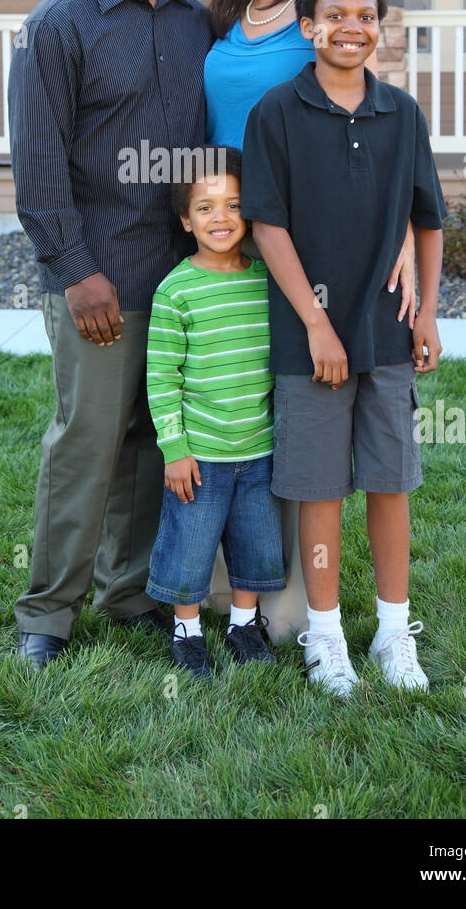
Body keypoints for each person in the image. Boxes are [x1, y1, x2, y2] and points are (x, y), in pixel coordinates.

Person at [7, 0, 214, 669]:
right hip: (98, 278)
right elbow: (38, 162)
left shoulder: (196, 22)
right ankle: (47, 615)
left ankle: (128, 593)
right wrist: (73, 268)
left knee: (149, 442)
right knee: (85, 444)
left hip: (176, 279)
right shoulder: (60, 22)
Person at [202, 0, 416, 640]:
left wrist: (407, 253)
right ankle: (228, 591)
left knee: (302, 424)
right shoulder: (220, 23)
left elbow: (384, 154)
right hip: (229, 242)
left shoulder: (323, 26)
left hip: (306, 259)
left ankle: (292, 604)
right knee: (233, 422)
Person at [241, 0, 446, 695]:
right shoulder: (277, 114)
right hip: (310, 342)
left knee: (391, 482)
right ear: (308, 26)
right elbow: (267, 225)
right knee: (321, 487)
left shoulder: (402, 113)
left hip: (388, 332)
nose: (351, 28)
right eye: (335, 15)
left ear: (379, 30)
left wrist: (426, 311)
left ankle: (396, 631)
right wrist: (318, 326)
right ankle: (325, 637)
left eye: (366, 16)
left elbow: (428, 220)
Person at [144, 146, 285, 681]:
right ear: (185, 220)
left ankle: (243, 624)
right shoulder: (176, 290)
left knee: (255, 543)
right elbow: (162, 377)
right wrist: (175, 449)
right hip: (200, 454)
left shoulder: (266, 280)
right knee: (190, 545)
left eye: (232, 205)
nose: (220, 218)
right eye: (205, 208)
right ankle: (188, 630)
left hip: (259, 448)